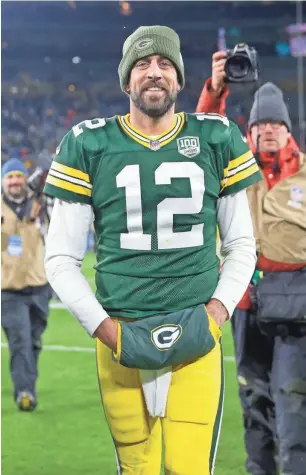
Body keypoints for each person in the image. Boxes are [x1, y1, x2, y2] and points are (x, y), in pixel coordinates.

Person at [44, 26, 261, 474]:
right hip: (121, 331)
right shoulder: (89, 142)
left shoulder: (215, 136)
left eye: (165, 64)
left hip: (197, 333)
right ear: (126, 80)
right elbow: (60, 260)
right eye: (142, 64)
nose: (154, 73)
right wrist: (105, 329)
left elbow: (242, 244)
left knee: (189, 468)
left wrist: (216, 313)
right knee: (136, 467)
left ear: (180, 79)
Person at [196, 51, 306, 475]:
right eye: (260, 125)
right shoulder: (234, 168)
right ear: (250, 132)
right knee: (253, 396)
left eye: (276, 124)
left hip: (296, 307)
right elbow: (203, 137)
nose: (268, 132)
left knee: (294, 397)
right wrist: (217, 88)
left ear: (288, 131)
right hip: (244, 304)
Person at [1, 158, 51, 411]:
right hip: (8, 290)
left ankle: (27, 382)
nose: (14, 181)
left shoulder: (40, 204)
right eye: (10, 177)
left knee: (34, 342)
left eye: (19, 176)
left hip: (40, 285)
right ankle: (25, 392)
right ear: (3, 181)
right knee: (20, 340)